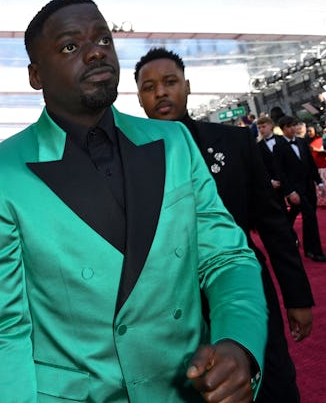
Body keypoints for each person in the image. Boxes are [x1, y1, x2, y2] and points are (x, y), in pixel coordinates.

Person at [0, 0, 267, 403]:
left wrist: (238, 343)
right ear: (36, 75)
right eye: (71, 46)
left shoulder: (173, 142)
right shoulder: (0, 172)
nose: (95, 53)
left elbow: (226, 258)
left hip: (187, 389)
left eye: (103, 40)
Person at [135, 47, 314, 403]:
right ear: (139, 97)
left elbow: (273, 224)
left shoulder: (233, 142)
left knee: (271, 380)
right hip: (173, 306)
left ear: (187, 86)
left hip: (244, 288)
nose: (161, 93)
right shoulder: (130, 158)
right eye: (149, 87)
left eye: (170, 82)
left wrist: (297, 296)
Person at [274, 116, 326, 262]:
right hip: (296, 190)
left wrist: (320, 183)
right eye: (291, 126)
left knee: (309, 218)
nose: (294, 128)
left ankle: (309, 250)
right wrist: (290, 192)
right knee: (310, 216)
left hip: (309, 187)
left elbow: (311, 164)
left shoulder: (302, 142)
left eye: (295, 125)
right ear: (284, 128)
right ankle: (316, 252)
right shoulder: (278, 147)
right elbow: (280, 172)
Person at [257, 116, 288, 210]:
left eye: (263, 126)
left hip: (289, 179)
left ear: (271, 126)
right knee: (281, 208)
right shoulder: (258, 146)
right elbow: (260, 167)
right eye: (259, 128)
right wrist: (270, 181)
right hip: (274, 182)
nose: (261, 129)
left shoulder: (283, 139)